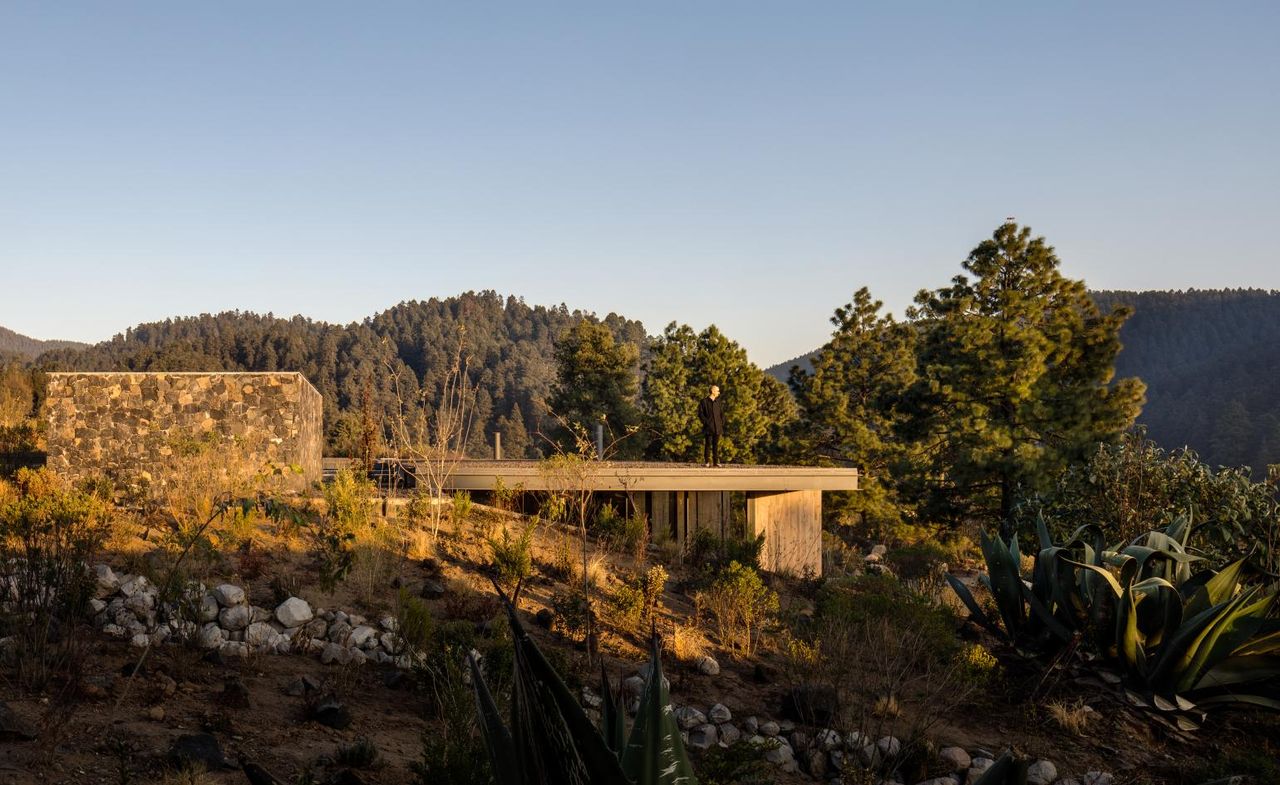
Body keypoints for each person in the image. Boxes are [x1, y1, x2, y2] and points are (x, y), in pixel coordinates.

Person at [697, 384, 725, 467]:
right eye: (717, 391)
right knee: (708, 444)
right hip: (708, 427)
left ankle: (716, 462)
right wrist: (706, 422)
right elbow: (700, 414)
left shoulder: (718, 402)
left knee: (716, 445)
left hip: (718, 427)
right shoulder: (704, 402)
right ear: (712, 391)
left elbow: (722, 414)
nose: (719, 392)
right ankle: (707, 462)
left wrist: (722, 422)